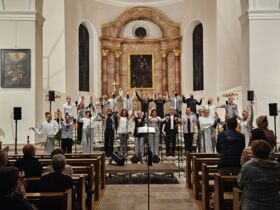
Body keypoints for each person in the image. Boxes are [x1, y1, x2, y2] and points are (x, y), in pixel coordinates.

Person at [238, 140, 280, 210]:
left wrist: (242, 164)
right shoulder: (276, 167)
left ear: (253, 153)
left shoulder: (247, 167)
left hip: (252, 207)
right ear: (268, 153)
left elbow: (240, 183)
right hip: (274, 206)